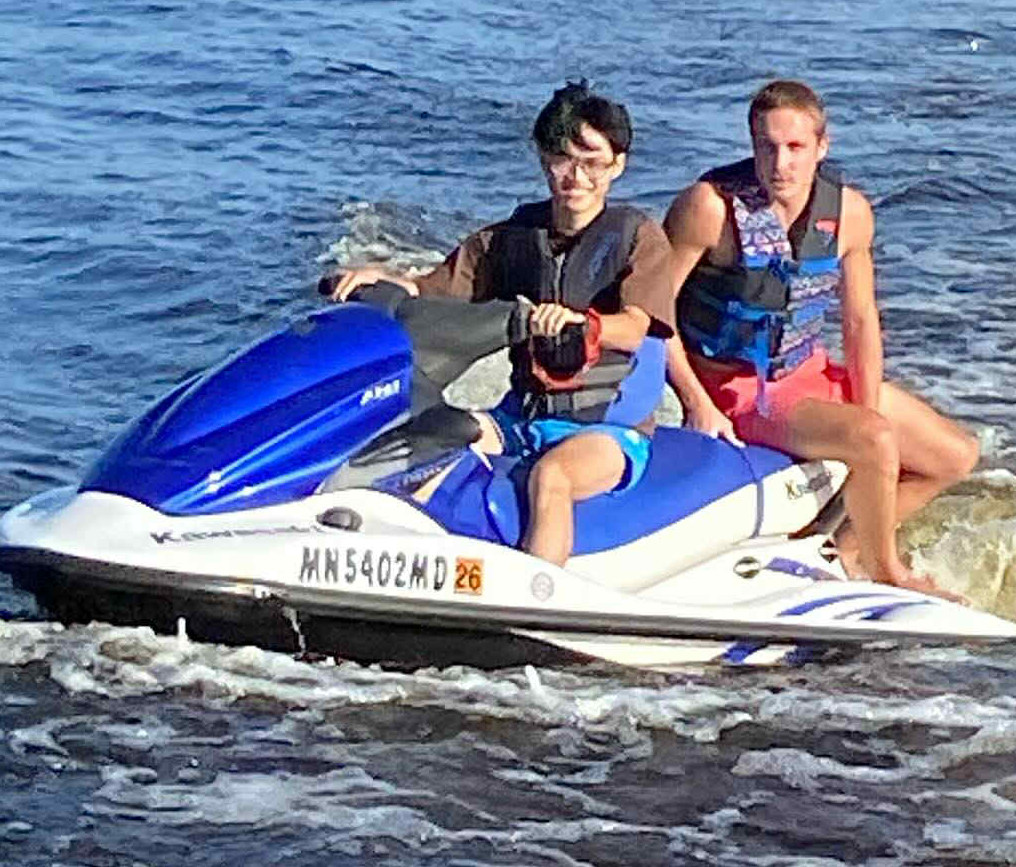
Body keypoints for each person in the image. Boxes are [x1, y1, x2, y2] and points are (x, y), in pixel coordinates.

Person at [329, 81, 674, 567]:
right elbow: (434, 288)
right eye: (561, 159)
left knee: (549, 478)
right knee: (418, 439)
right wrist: (378, 278)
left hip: (607, 432)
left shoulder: (637, 236)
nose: (575, 176)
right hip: (521, 419)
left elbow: (636, 327)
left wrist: (586, 324)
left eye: (591, 162)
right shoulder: (512, 238)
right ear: (542, 159)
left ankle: (537, 598)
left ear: (617, 164)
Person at [663, 78, 978, 594]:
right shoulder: (709, 209)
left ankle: (841, 549)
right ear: (751, 146)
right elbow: (654, 315)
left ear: (820, 148)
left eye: (795, 148)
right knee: (874, 441)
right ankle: (887, 575)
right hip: (739, 391)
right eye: (767, 147)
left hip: (805, 371)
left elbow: (859, 322)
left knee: (954, 456)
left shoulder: (849, 213)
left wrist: (867, 403)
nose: (780, 164)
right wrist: (698, 403)